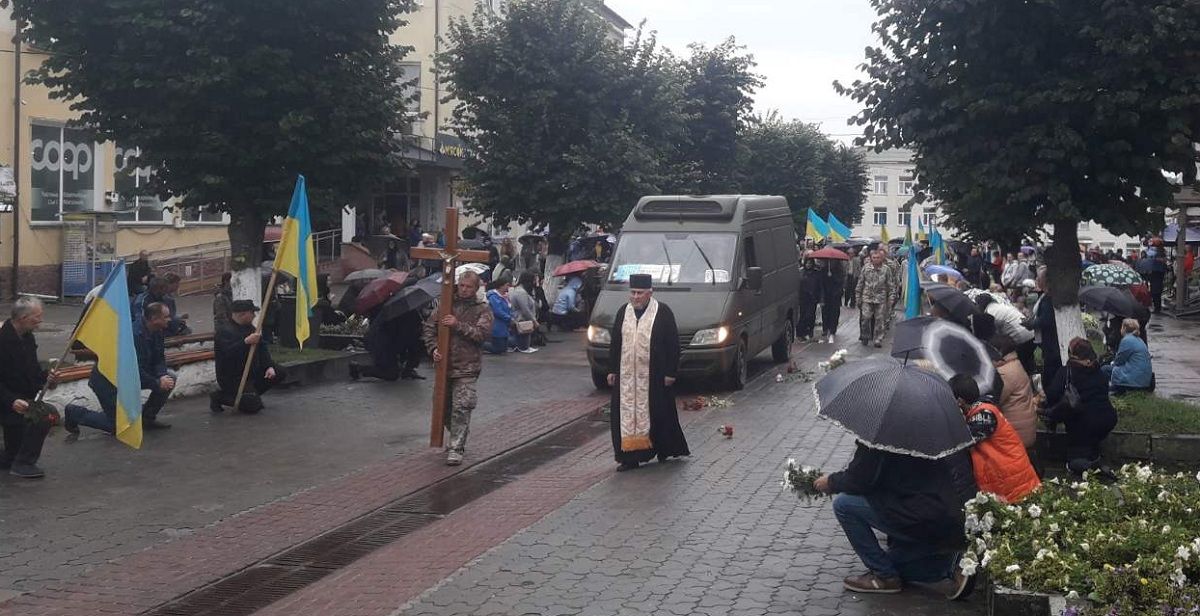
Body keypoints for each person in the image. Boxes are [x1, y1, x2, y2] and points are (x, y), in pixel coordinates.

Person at [813, 443, 974, 598]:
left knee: (844, 504)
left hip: (919, 515)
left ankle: (884, 577)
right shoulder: (932, 431)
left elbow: (859, 480)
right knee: (894, 563)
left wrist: (831, 482)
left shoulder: (882, 437)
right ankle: (953, 565)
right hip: (948, 513)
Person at [606, 274, 690, 471]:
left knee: (659, 414)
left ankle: (663, 449)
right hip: (627, 377)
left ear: (649, 293)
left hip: (654, 376)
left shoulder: (662, 312)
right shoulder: (623, 313)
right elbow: (616, 344)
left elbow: (673, 345)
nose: (635, 297)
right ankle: (629, 457)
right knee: (624, 415)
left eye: (640, 293)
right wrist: (611, 369)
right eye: (633, 293)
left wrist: (671, 372)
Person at [66, 302, 177, 434]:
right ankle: (75, 413)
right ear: (154, 319)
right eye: (166, 317)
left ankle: (146, 418)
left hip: (130, 378)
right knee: (117, 426)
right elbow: (133, 371)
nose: (169, 319)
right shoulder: (133, 336)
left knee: (170, 378)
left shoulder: (157, 332)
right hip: (108, 381)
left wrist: (162, 375)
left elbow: (159, 357)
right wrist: (157, 383)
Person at [423, 271, 492, 466]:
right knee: (443, 407)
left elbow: (482, 334)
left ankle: (456, 447)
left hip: (467, 366)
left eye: (469, 286)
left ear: (475, 288)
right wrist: (433, 348)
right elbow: (429, 327)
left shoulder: (482, 309)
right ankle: (457, 433)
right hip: (445, 365)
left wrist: (457, 324)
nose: (464, 290)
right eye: (462, 285)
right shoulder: (446, 304)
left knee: (462, 406)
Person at [949, 375, 1041, 503]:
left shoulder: (983, 415)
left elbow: (962, 441)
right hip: (1008, 473)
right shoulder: (983, 409)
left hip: (1011, 477)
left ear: (960, 401)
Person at [1042, 337, 1118, 475]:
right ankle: (1094, 457)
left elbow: (1052, 395)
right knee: (1090, 446)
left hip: (1082, 422)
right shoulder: (1098, 371)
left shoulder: (1067, 372)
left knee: (1074, 459)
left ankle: (1089, 467)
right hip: (1107, 418)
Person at [0, 298, 56, 478]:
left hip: (20, 398)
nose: (40, 321)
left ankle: (14, 457)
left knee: (11, 454)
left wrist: (47, 377)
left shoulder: (27, 337)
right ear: (23, 318)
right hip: (7, 399)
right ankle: (23, 463)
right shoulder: (3, 340)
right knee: (45, 414)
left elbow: (31, 371)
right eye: (37, 317)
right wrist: (10, 401)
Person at [210, 300, 286, 413]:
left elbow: (262, 348)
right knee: (253, 406)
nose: (254, 316)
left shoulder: (250, 328)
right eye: (252, 313)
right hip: (233, 377)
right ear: (242, 314)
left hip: (252, 372)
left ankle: (251, 394)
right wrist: (245, 342)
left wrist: (268, 366)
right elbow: (228, 354)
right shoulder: (224, 331)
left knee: (279, 372)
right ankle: (220, 397)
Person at [989, 335, 1040, 451]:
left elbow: (994, 401)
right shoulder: (1015, 363)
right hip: (1026, 428)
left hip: (1015, 434)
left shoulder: (1005, 373)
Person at [975, 294, 1036, 375]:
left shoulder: (990, 313)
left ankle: (1025, 380)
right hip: (1031, 333)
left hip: (1020, 338)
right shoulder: (1000, 306)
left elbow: (994, 336)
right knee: (1028, 361)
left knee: (1021, 364)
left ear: (981, 305)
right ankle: (1034, 377)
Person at [856, 249, 899, 348]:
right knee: (865, 318)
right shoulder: (866, 268)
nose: (876, 259)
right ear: (871, 259)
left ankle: (878, 339)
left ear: (881, 259)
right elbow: (860, 283)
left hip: (880, 298)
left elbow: (890, 285)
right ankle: (865, 336)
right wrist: (858, 297)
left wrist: (891, 298)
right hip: (867, 297)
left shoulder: (886, 269)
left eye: (878, 258)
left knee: (880, 319)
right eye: (874, 258)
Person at [1103, 318, 1153, 395]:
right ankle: (1116, 387)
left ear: (1124, 328)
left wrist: (1112, 362)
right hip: (1144, 380)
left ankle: (1103, 390)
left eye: (1122, 327)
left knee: (1105, 369)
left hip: (1134, 380)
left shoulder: (1127, 340)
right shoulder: (1139, 339)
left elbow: (1119, 361)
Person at [508, 271, 540, 353]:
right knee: (521, 343)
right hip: (521, 319)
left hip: (524, 319)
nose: (534, 283)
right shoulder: (520, 292)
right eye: (533, 280)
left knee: (525, 342)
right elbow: (525, 309)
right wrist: (534, 321)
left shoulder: (522, 291)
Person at [484, 275, 514, 354]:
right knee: (498, 349)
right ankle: (480, 345)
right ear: (501, 286)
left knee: (503, 348)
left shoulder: (504, 297)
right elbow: (497, 311)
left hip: (504, 326)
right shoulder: (494, 297)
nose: (508, 287)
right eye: (507, 285)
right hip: (497, 326)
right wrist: (508, 318)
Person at [821, 258, 845, 343]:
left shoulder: (839, 270)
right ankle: (825, 327)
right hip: (826, 294)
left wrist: (833, 276)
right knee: (825, 311)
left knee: (834, 312)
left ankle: (832, 328)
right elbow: (822, 281)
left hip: (835, 294)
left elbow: (841, 281)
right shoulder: (824, 269)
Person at [797, 258, 822, 341]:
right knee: (803, 316)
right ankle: (801, 333)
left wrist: (821, 298)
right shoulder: (801, 272)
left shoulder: (816, 274)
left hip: (812, 298)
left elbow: (819, 287)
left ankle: (809, 330)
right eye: (807, 263)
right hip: (803, 298)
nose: (808, 265)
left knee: (810, 315)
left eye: (810, 263)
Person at [1137, 248, 1168, 313]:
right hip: (1158, 284)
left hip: (1155, 284)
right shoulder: (1161, 266)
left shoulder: (1156, 266)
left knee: (1156, 296)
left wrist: (1149, 274)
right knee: (1157, 296)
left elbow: (1152, 276)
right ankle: (1157, 308)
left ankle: (1157, 309)